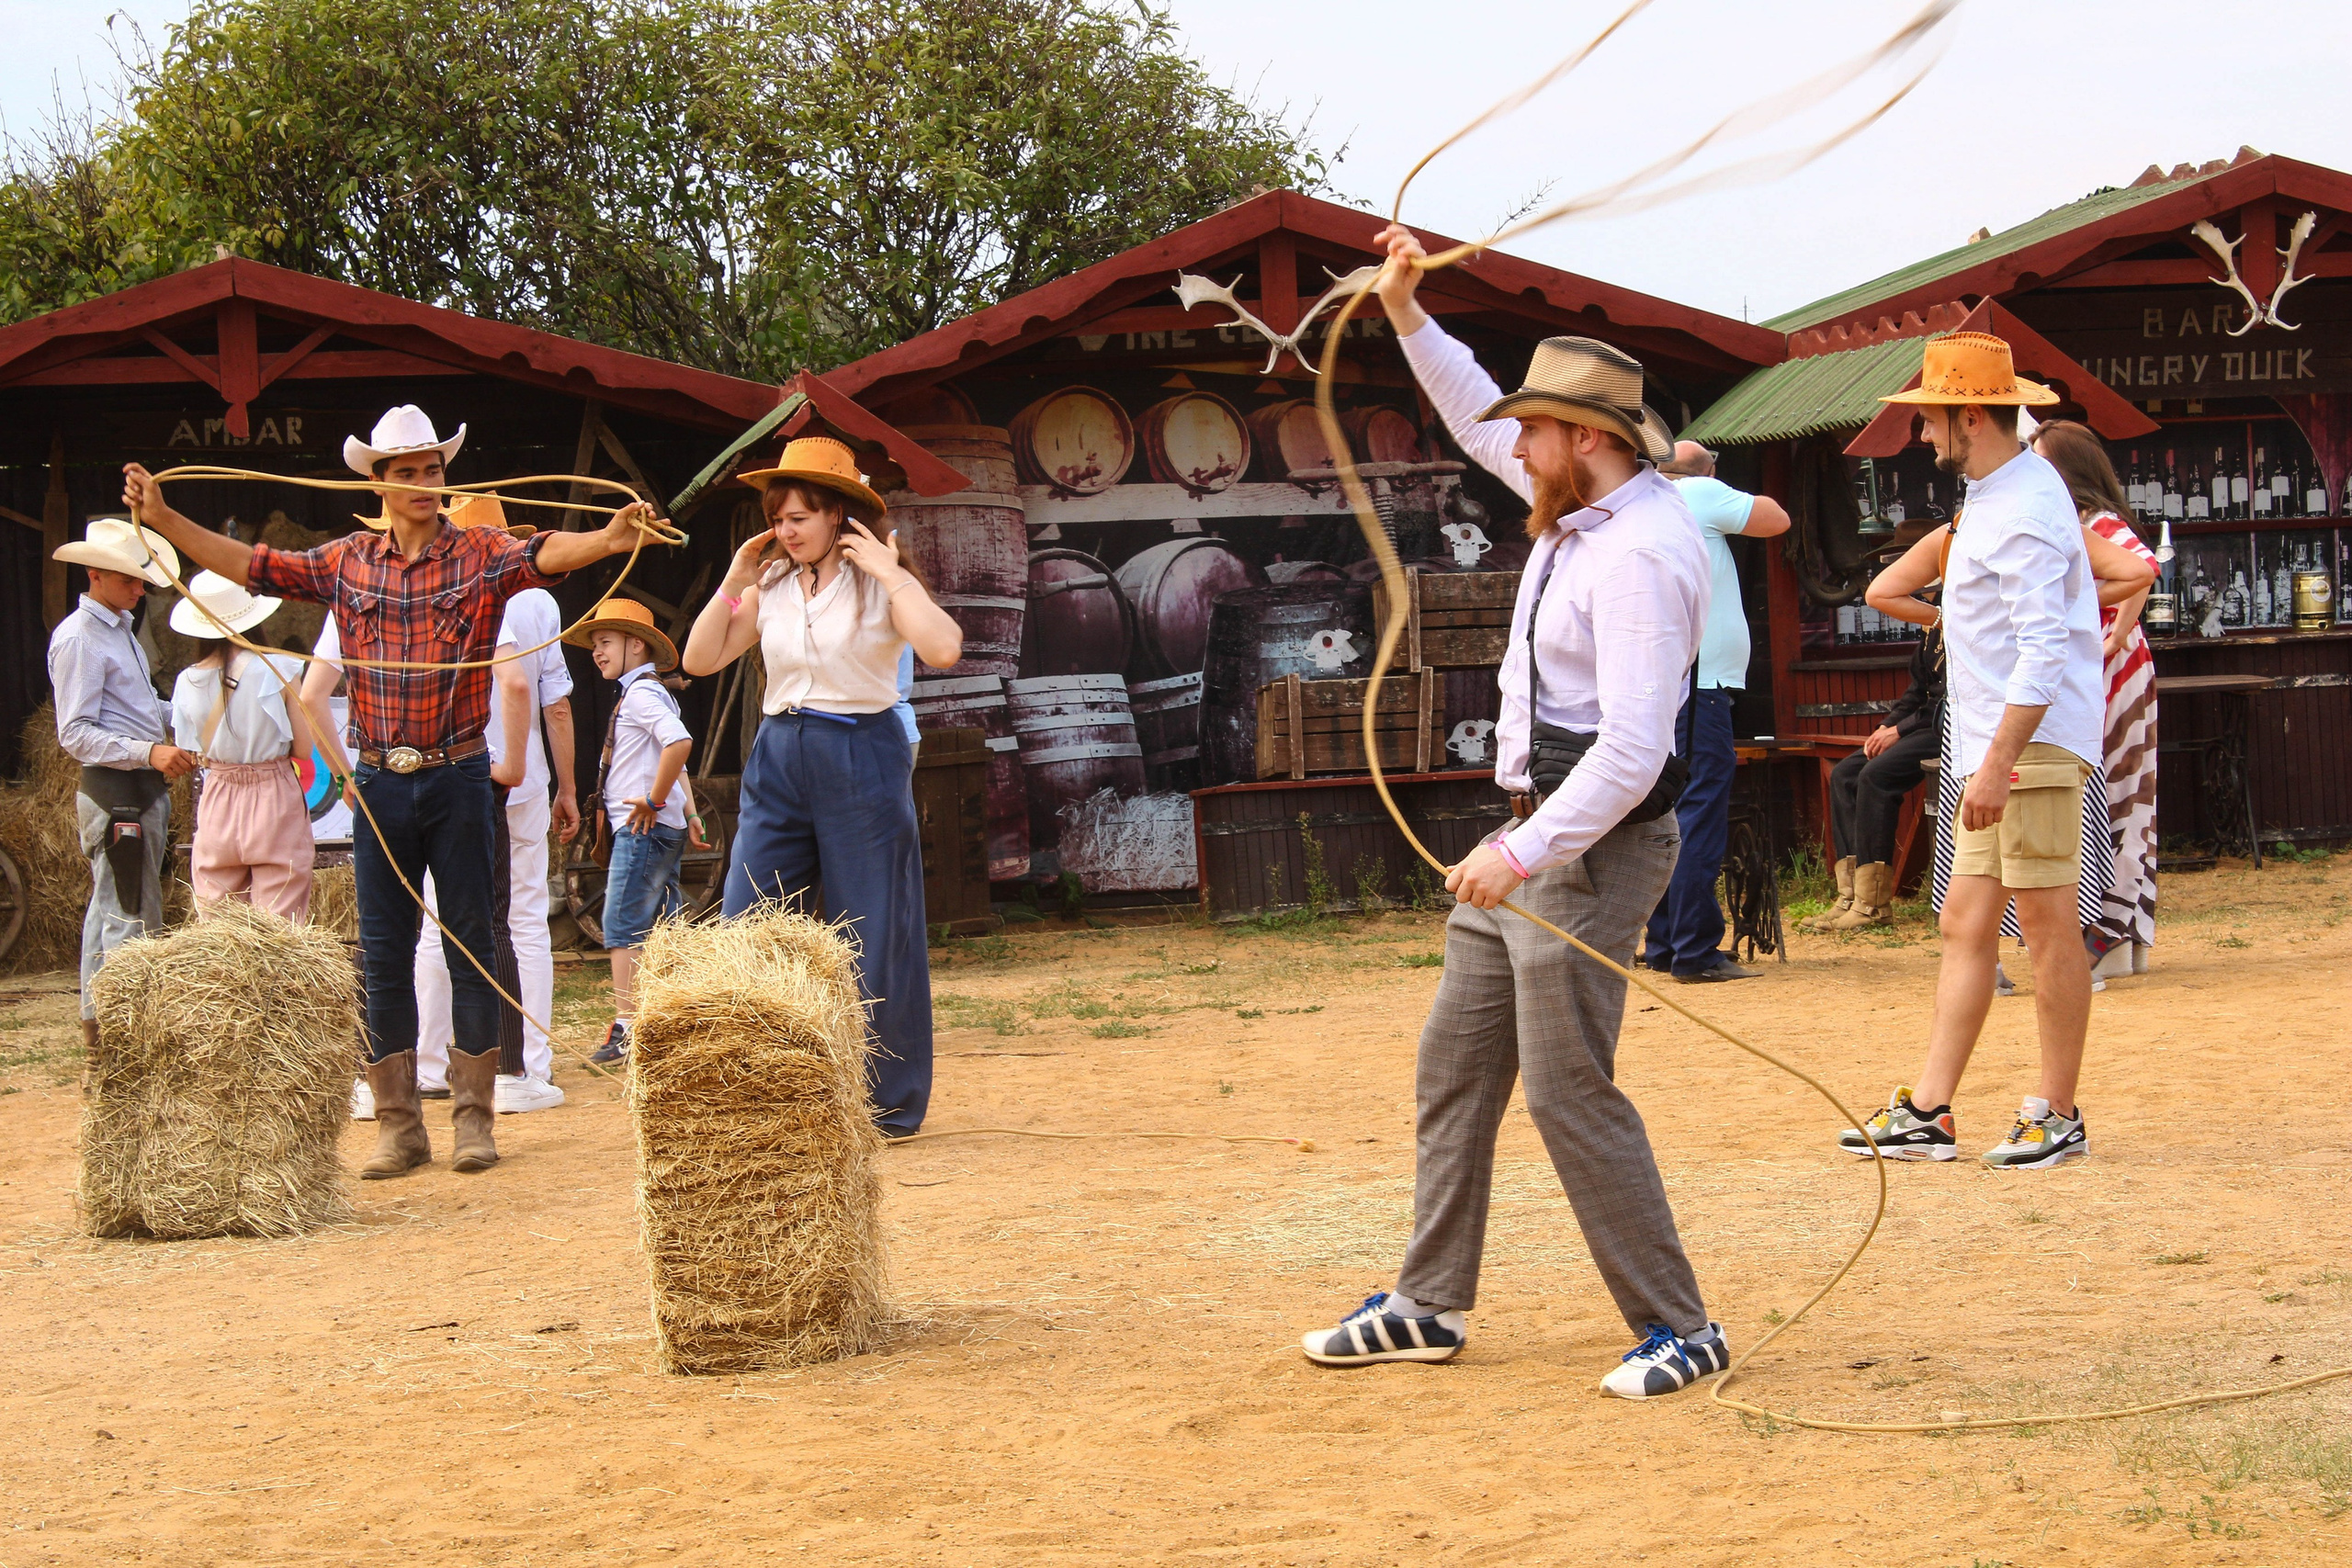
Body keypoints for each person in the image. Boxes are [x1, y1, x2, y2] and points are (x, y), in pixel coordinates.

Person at [1294, 222, 1728, 1400]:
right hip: (1533, 838)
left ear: (1583, 441)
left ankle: (1681, 1326)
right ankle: (1428, 1303)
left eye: (1534, 426)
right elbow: (1471, 399)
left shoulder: (1638, 550)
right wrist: (1403, 312)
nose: (1513, 438)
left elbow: (1637, 749)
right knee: (1455, 1069)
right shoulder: (1576, 508)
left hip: (1582, 849)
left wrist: (1524, 849)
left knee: (1567, 1091)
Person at [122, 403, 672, 1179]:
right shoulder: (346, 562)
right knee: (384, 954)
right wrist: (167, 516)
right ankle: (400, 1126)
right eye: (408, 472)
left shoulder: (482, 554)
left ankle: (475, 1120)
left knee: (470, 941)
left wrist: (611, 538)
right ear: (378, 482)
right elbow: (254, 566)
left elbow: (548, 554)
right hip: (380, 780)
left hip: (457, 776)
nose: (424, 483)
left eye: (433, 470)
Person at [1837, 333, 2142, 1171]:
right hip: (2001, 746)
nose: (1922, 435)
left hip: (2028, 748)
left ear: (1972, 415)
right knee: (1964, 920)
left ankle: (2060, 1113)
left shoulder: (2023, 510)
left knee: (2047, 931)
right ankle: (1930, 1111)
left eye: (1930, 419)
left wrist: (2001, 761)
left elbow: (2044, 652)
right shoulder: (2003, 490)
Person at [679, 436, 963, 1138]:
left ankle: (887, 1103)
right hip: (779, 753)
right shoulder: (771, 586)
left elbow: (944, 647)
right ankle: (770, 1090)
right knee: (749, 920)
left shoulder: (877, 582)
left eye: (801, 515)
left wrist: (893, 574)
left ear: (839, 515)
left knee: (874, 928)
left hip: (860, 750)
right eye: (779, 518)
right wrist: (736, 578)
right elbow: (700, 656)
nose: (787, 529)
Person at [311, 502, 578, 1115]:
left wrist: (356, 775)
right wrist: (556, 780)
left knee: (440, 920)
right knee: (518, 917)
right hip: (509, 776)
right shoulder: (537, 597)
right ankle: (523, 1063)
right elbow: (553, 700)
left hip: (449, 772)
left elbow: (312, 693)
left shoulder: (436, 581)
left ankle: (434, 1061)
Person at [48, 518, 195, 1068]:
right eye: (130, 580)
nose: (140, 589)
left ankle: (101, 1036)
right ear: (96, 574)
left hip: (135, 788)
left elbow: (138, 711)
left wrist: (191, 716)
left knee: (113, 910)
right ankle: (125, 1042)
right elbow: (76, 732)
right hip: (118, 793)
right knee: (130, 915)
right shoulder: (81, 638)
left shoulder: (118, 631)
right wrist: (150, 751)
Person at [1642, 440, 1790, 981]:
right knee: (1699, 810)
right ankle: (1694, 949)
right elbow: (1776, 519)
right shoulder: (1697, 492)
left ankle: (1664, 941)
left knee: (1664, 809)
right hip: (1701, 682)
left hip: (1668, 682)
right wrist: (1714, 482)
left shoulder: (1644, 503)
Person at [2030, 419, 2158, 981]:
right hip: (2102, 670)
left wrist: (2114, 633)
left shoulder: (2098, 523)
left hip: (2114, 674)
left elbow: (2143, 571)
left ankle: (2110, 929)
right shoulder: (2077, 522)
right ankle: (2119, 931)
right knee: (2116, 796)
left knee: (2121, 797)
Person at [571, 599, 693, 1066]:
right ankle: (668, 1017)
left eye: (605, 643)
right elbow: (672, 748)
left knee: (622, 925)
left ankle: (629, 1026)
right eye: (596, 645)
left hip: (642, 825)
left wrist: (655, 800)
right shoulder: (647, 692)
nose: (597, 652)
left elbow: (680, 743)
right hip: (656, 824)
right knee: (663, 924)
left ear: (635, 644)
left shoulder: (640, 694)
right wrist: (690, 811)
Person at [167, 570, 314, 920]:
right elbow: (304, 749)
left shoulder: (186, 680)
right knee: (280, 925)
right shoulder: (279, 668)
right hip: (274, 794)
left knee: (221, 931)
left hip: (218, 796)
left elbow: (191, 749)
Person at [1803, 617, 1942, 932]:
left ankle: (1873, 905)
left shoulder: (1959, 621)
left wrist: (1899, 730)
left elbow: (1945, 701)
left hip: (1947, 727)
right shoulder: (1932, 628)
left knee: (1876, 776)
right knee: (1846, 774)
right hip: (1922, 722)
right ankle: (1850, 896)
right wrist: (1886, 725)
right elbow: (1917, 691)